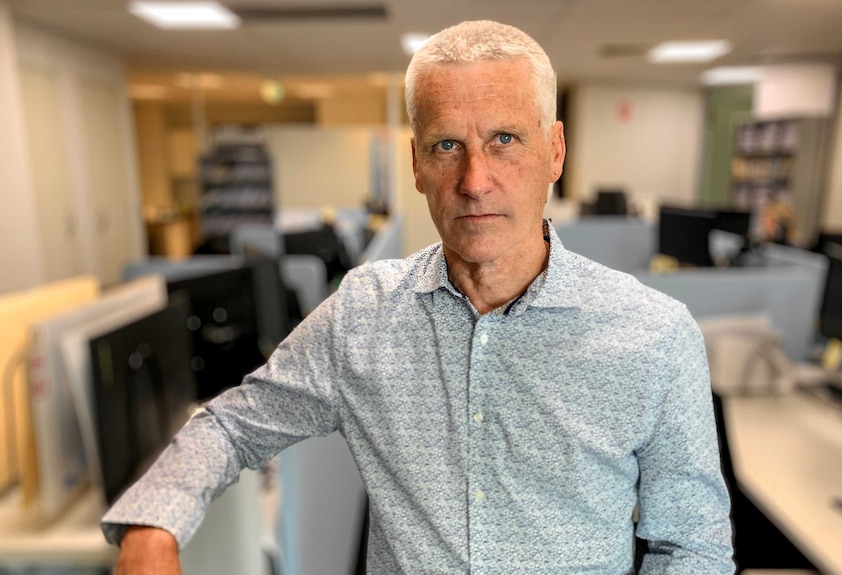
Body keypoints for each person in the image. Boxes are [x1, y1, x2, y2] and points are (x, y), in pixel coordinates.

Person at [103, 20, 735, 574]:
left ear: (555, 151)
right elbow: (231, 426)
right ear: (416, 164)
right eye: (446, 146)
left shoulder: (654, 334)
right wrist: (152, 528)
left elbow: (693, 546)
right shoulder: (364, 313)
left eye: (505, 140)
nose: (474, 181)